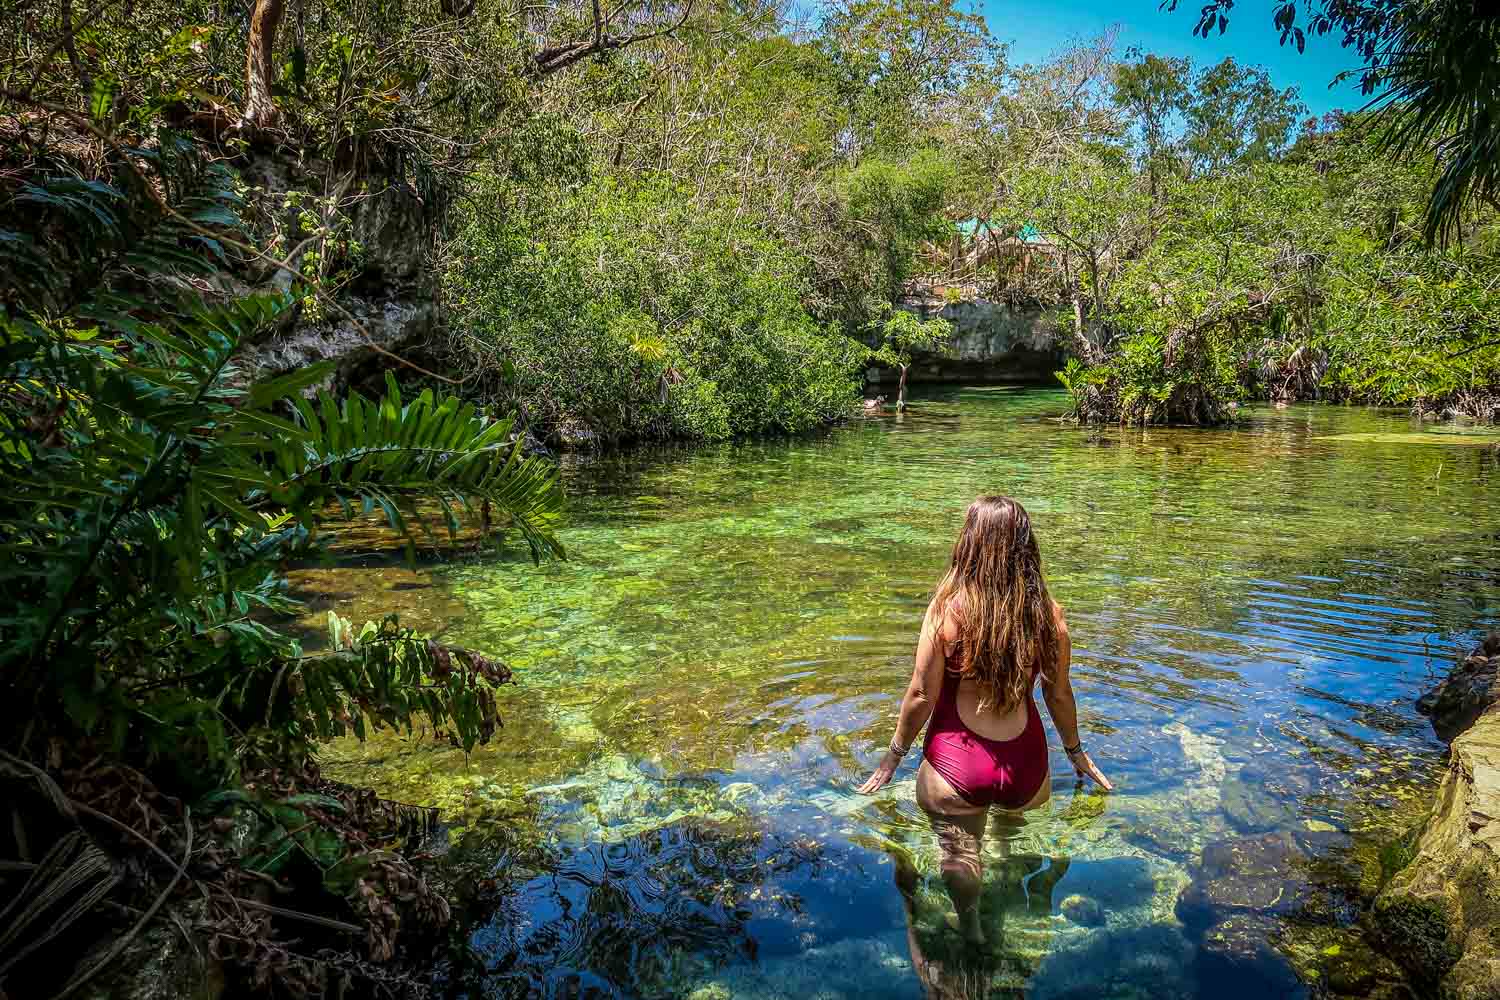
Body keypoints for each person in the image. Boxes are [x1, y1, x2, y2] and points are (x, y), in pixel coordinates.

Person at [858, 495, 1111, 946]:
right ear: (1026, 547)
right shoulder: (1048, 616)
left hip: (956, 766)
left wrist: (893, 757)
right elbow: (1058, 692)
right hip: (1027, 769)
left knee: (958, 849)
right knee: (1008, 845)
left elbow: (920, 693)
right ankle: (1014, 902)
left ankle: (971, 925)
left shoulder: (947, 611)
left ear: (969, 545)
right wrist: (1077, 753)